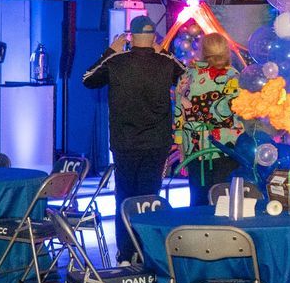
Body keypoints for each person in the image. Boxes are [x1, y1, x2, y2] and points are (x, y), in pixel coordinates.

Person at [82, 14, 182, 218]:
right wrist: (163, 51)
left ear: (131, 37)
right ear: (154, 38)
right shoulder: (165, 63)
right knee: (150, 198)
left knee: (125, 198)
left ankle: (126, 248)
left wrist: (110, 51)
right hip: (157, 142)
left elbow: (88, 79)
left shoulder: (116, 62)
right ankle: (146, 245)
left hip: (125, 142)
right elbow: (187, 76)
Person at [174, 32, 242, 194]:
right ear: (226, 51)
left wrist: (181, 150)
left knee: (199, 202)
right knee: (225, 201)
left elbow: (179, 116)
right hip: (228, 148)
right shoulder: (235, 77)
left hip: (196, 149)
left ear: (202, 51)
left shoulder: (188, 76)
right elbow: (243, 114)